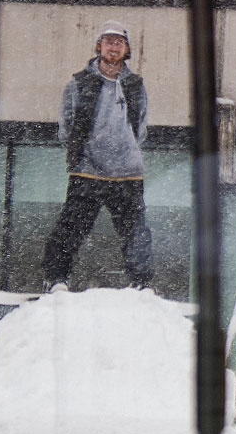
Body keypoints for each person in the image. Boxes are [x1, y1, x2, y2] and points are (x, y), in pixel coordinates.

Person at [42, 20, 153, 291]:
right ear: (98, 46)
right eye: (108, 41)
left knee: (135, 231)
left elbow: (140, 126)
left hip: (127, 171)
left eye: (119, 42)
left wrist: (124, 148)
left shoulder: (136, 85)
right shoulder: (79, 83)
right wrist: (84, 150)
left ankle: (141, 284)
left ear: (127, 49)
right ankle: (56, 279)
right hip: (87, 169)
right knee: (71, 227)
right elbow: (66, 125)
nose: (114, 47)